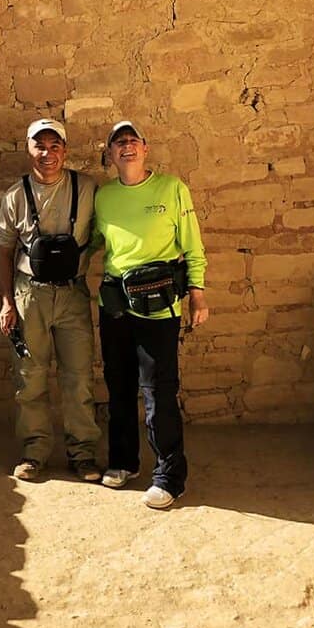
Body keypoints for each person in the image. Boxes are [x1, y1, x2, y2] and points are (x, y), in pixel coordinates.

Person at [91, 120, 209, 509]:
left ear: (145, 148)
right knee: (119, 383)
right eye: (118, 142)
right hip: (116, 306)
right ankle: (123, 461)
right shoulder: (103, 197)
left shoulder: (172, 189)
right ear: (109, 153)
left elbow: (192, 244)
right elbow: (91, 243)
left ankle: (169, 477)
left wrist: (197, 294)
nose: (126, 147)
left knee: (158, 390)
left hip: (160, 306)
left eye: (132, 141)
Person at [0, 119, 103, 483]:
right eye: (39, 146)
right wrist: (7, 302)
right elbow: (4, 252)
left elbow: (107, 234)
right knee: (31, 377)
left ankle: (83, 452)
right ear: (29, 149)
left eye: (54, 146)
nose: (48, 154)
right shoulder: (15, 196)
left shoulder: (87, 189)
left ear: (65, 150)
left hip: (72, 293)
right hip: (31, 295)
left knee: (78, 376)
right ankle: (34, 451)